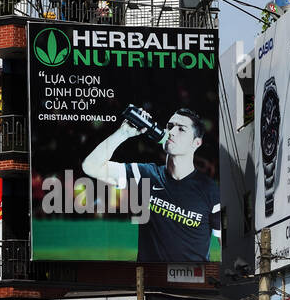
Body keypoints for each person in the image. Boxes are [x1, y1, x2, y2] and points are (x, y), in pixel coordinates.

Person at [80, 106, 221, 262]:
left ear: (196, 143)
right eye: (169, 126)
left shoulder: (211, 190)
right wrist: (123, 133)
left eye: (181, 129)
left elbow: (226, 244)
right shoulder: (145, 175)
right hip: (150, 282)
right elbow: (90, 166)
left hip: (192, 282)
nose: (171, 132)